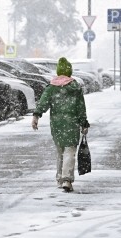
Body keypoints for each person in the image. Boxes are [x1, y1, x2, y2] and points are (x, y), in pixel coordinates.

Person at [31, 57, 89, 192]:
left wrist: (36, 116)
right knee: (70, 151)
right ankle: (67, 179)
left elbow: (43, 103)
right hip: (72, 123)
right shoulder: (75, 88)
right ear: (69, 72)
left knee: (60, 151)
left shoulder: (52, 87)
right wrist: (83, 123)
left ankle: (59, 178)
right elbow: (81, 108)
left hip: (57, 125)